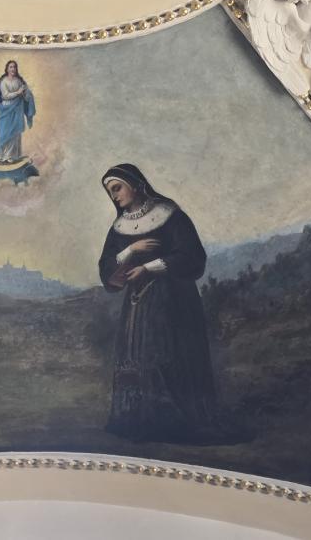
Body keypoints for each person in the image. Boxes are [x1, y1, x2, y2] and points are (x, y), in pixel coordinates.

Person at [96, 163, 218, 443]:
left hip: (174, 302)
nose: (114, 196)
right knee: (138, 358)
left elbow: (193, 257)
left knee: (168, 356)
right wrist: (131, 250)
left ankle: (177, 423)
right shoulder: (119, 228)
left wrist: (149, 267)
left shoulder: (170, 215)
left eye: (117, 188)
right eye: (110, 192)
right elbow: (106, 270)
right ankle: (140, 420)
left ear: (136, 184)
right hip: (137, 307)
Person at [0, 60, 35, 164]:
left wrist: (27, 94)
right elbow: (5, 95)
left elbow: (24, 95)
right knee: (4, 133)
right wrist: (18, 92)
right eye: (11, 67)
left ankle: (9, 155)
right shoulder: (3, 81)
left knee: (14, 133)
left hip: (17, 109)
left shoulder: (19, 81)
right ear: (7, 69)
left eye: (14, 67)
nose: (13, 69)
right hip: (6, 109)